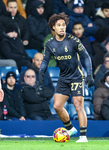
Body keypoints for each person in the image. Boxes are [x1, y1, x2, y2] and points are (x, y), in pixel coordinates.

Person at [39, 13, 94, 142]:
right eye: (59, 25)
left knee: (78, 105)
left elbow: (86, 56)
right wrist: (41, 73)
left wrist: (90, 74)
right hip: (63, 77)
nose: (62, 27)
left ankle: (83, 136)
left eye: (63, 25)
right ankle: (70, 128)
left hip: (76, 76)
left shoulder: (73, 40)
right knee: (57, 106)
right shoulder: (49, 44)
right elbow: (45, 60)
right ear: (53, 27)